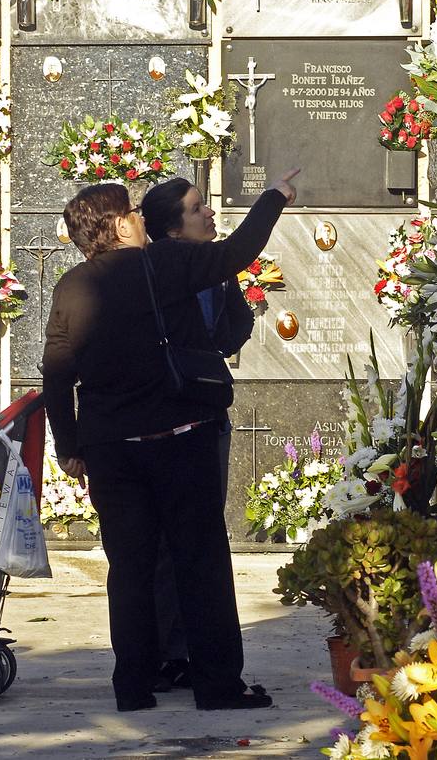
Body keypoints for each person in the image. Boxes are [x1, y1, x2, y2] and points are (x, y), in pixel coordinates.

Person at [42, 168, 299, 712]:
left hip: (111, 448)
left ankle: (133, 688)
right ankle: (217, 685)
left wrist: (70, 447)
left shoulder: (71, 287)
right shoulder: (167, 261)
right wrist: (274, 196)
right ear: (116, 225)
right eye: (130, 211)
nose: (140, 216)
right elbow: (238, 251)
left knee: (130, 570)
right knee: (199, 563)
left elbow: (57, 376)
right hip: (182, 437)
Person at [137, 177, 253, 693]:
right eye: (196, 208)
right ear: (171, 227)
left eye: (206, 204)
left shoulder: (216, 271)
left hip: (209, 413)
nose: (209, 213)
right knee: (168, 541)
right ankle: (168, 652)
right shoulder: (157, 270)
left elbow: (234, 327)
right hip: (169, 420)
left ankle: (195, 650)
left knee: (202, 535)